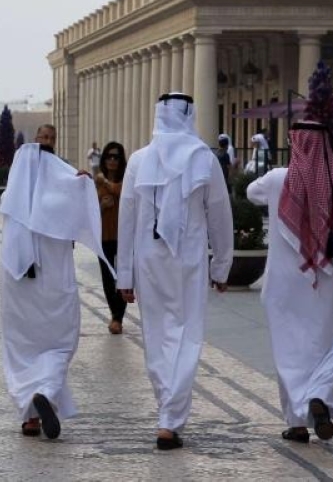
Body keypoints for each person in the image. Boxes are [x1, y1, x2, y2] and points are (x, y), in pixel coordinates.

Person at [116, 93, 233, 450]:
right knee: (186, 334)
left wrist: (125, 274)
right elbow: (220, 215)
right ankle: (170, 417)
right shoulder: (204, 158)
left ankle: (167, 410)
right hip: (188, 258)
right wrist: (221, 266)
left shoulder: (139, 160)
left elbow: (126, 219)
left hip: (149, 259)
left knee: (157, 335)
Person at [247, 118, 333, 444]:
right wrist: (331, 257)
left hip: (284, 284)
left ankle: (297, 424)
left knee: (289, 350)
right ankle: (319, 396)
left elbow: (250, 192)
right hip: (329, 282)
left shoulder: (276, 179)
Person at [0, 124, 110, 441]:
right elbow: (82, 215)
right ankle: (44, 392)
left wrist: (78, 184)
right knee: (59, 342)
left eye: (50, 138)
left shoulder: (13, 194)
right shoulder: (61, 188)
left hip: (18, 281)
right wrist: (80, 188)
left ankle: (31, 412)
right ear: (37, 141)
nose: (45, 143)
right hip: (51, 281)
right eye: (43, 138)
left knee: (23, 347)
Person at [95, 141, 127, 335]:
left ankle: (118, 319)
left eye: (116, 157)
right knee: (107, 278)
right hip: (104, 237)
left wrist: (105, 183)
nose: (112, 160)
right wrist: (102, 207)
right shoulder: (96, 183)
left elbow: (119, 190)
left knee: (123, 277)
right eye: (109, 156)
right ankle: (115, 314)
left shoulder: (126, 181)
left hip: (123, 237)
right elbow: (91, 213)